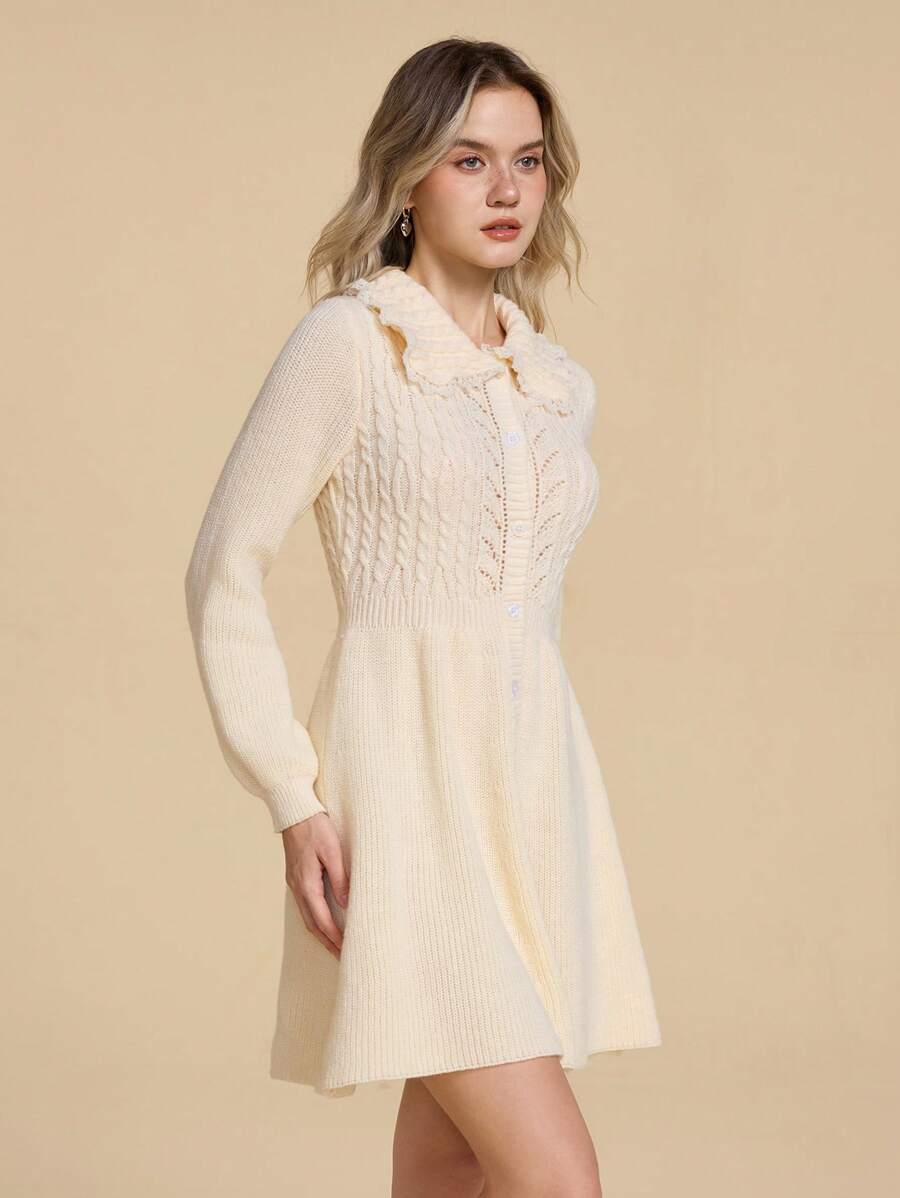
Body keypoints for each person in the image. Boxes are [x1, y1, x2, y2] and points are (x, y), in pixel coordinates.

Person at [184, 36, 661, 1198]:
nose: (506, 190)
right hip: (403, 795)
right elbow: (223, 567)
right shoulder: (351, 344)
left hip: (529, 796)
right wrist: (294, 796)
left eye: (528, 161)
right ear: (407, 178)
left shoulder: (552, 383)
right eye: (470, 159)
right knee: (558, 1179)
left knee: (448, 1165)